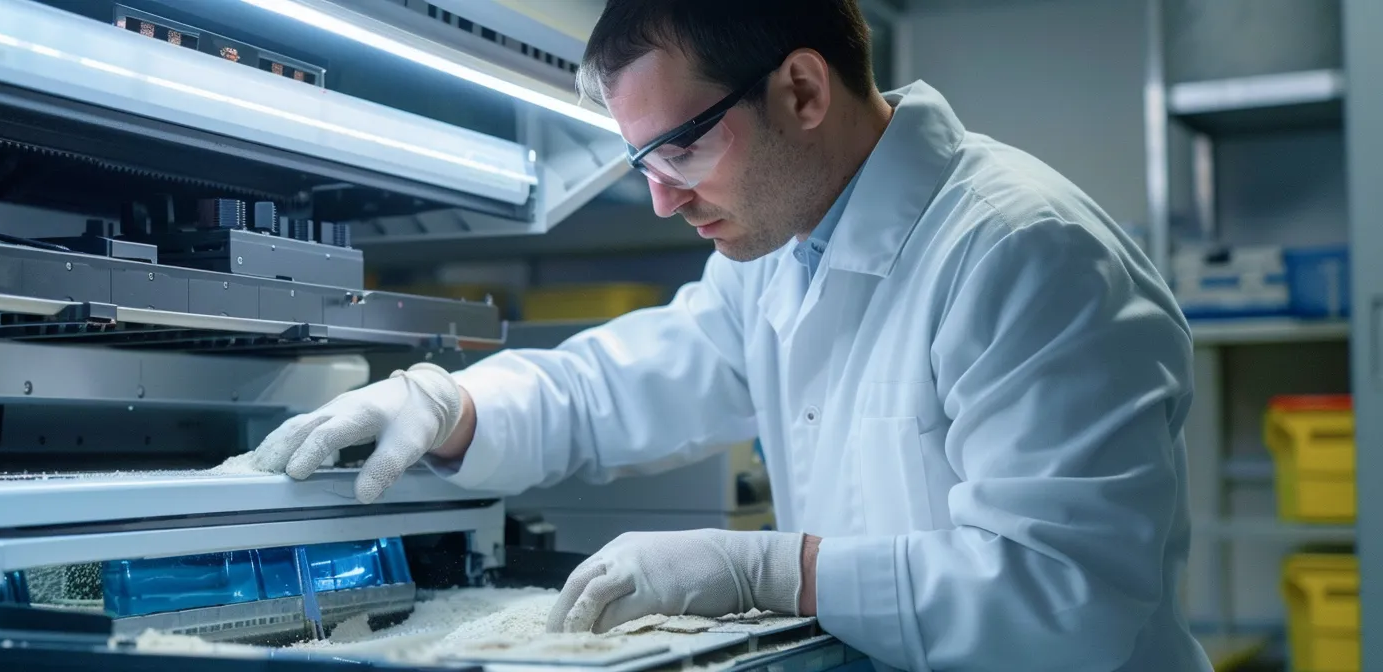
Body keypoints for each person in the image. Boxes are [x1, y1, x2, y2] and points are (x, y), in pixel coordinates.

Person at [251, 1, 1212, 669]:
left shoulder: (1025, 254)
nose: (661, 198)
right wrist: (448, 403)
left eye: (681, 146)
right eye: (642, 160)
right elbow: (614, 389)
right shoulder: (782, 256)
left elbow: (1064, 600)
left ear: (802, 91)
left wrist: (773, 570)